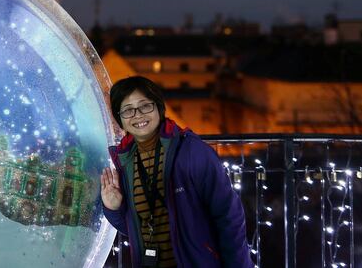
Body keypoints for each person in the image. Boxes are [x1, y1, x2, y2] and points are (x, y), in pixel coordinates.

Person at [100, 76, 251, 268]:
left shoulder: (191, 151)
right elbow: (138, 228)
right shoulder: (126, 162)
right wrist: (114, 209)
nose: (137, 115)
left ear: (159, 108)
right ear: (120, 118)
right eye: (128, 110)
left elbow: (229, 217)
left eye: (145, 106)